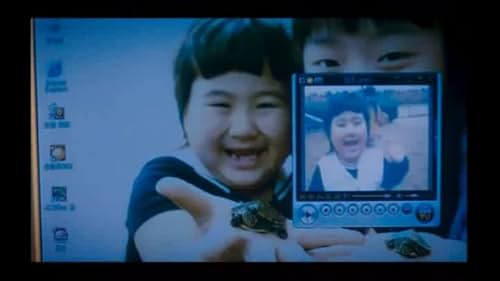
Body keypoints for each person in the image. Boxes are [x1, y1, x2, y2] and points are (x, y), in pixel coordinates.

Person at [125, 18, 364, 262]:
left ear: (298, 112)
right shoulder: (166, 179)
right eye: (220, 104)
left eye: (266, 105)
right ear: (184, 115)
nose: (243, 130)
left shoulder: (316, 187)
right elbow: (168, 245)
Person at [292, 18, 467, 261]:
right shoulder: (320, 165)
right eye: (328, 62)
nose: (360, 82)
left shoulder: (376, 155)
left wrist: (398, 161)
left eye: (393, 56)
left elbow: (390, 179)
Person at [309, 91, 409, 191]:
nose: (350, 131)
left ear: (367, 129)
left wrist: (399, 162)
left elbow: (391, 181)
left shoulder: (377, 157)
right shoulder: (324, 167)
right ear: (329, 133)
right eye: (341, 124)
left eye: (357, 123)